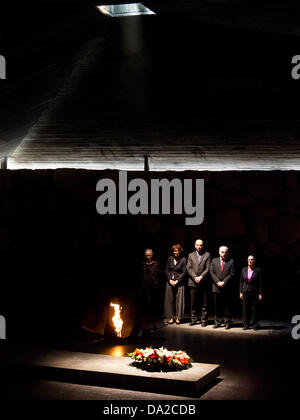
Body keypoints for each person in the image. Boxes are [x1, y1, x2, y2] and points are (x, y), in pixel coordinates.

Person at [187, 239, 211, 326]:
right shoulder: (191, 255)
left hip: (203, 282)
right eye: (197, 245)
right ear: (194, 245)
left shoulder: (207, 254)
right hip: (193, 282)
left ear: (203, 245)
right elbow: (188, 268)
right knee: (193, 302)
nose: (199, 247)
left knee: (204, 302)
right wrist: (195, 277)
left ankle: (204, 320)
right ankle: (193, 319)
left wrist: (200, 277)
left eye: (200, 245)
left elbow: (208, 268)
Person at [210, 246, 235, 329]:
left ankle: (227, 322)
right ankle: (217, 322)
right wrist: (218, 282)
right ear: (219, 252)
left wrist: (224, 282)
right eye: (222, 252)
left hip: (226, 287)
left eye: (225, 252)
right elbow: (212, 273)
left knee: (227, 306)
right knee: (217, 306)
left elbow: (232, 273)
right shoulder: (214, 260)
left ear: (227, 252)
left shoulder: (231, 261)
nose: (224, 254)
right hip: (216, 287)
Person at [140, 249, 162, 334]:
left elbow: (158, 275)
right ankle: (145, 328)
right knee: (145, 309)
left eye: (149, 255)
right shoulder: (142, 264)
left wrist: (154, 283)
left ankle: (153, 325)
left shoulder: (156, 264)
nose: (148, 257)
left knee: (153, 307)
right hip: (144, 289)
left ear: (152, 255)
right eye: (146, 255)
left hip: (154, 289)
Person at [164, 244, 187, 325]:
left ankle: (178, 317)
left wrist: (177, 280)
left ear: (180, 251)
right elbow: (166, 270)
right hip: (170, 281)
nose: (175, 252)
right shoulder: (170, 258)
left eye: (176, 251)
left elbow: (184, 272)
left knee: (179, 300)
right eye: (174, 251)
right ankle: (170, 317)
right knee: (169, 300)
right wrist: (170, 279)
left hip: (179, 282)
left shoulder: (183, 260)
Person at [240, 255, 263, 330]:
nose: (250, 261)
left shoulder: (258, 270)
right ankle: (246, 324)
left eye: (251, 259)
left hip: (254, 292)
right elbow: (241, 281)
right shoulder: (243, 269)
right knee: (245, 308)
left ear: (254, 261)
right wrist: (240, 292)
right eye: (249, 259)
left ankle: (254, 324)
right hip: (245, 291)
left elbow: (260, 282)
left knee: (254, 308)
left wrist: (260, 293)